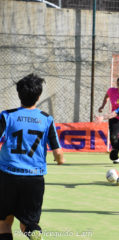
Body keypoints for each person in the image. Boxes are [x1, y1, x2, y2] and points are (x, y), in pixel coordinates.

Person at [0, 74, 65, 240]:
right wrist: (59, 161)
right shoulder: (46, 119)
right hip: (34, 178)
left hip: (8, 176)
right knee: (28, 224)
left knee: (5, 222)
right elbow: (59, 153)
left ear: (18, 94)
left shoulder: (7, 116)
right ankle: (34, 233)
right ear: (38, 96)